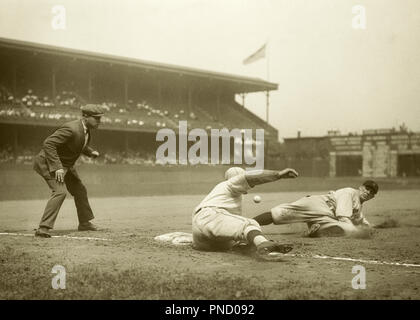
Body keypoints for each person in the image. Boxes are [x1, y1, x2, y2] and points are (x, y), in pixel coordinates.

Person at [192, 167, 298, 261]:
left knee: (238, 237)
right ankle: (263, 243)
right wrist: (278, 175)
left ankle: (247, 246)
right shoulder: (229, 184)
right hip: (209, 216)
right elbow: (251, 178)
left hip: (203, 239)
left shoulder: (226, 195)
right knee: (249, 223)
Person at [33, 104, 104, 238]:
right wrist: (57, 167)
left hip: (65, 165)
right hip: (48, 163)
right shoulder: (71, 128)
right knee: (60, 192)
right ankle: (43, 228)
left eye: (100, 118)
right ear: (85, 117)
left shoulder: (85, 129)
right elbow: (49, 143)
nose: (99, 121)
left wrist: (90, 151)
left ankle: (84, 223)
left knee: (79, 190)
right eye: (96, 118)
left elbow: (77, 144)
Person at [253, 180, 379, 237]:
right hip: (316, 205)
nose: (368, 192)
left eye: (371, 192)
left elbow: (360, 219)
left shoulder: (358, 206)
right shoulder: (350, 193)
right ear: (361, 187)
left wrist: (368, 227)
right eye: (367, 188)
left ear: (372, 197)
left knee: (342, 228)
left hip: (326, 216)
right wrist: (358, 231)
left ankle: (316, 230)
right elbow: (343, 216)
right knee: (278, 213)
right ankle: (247, 223)